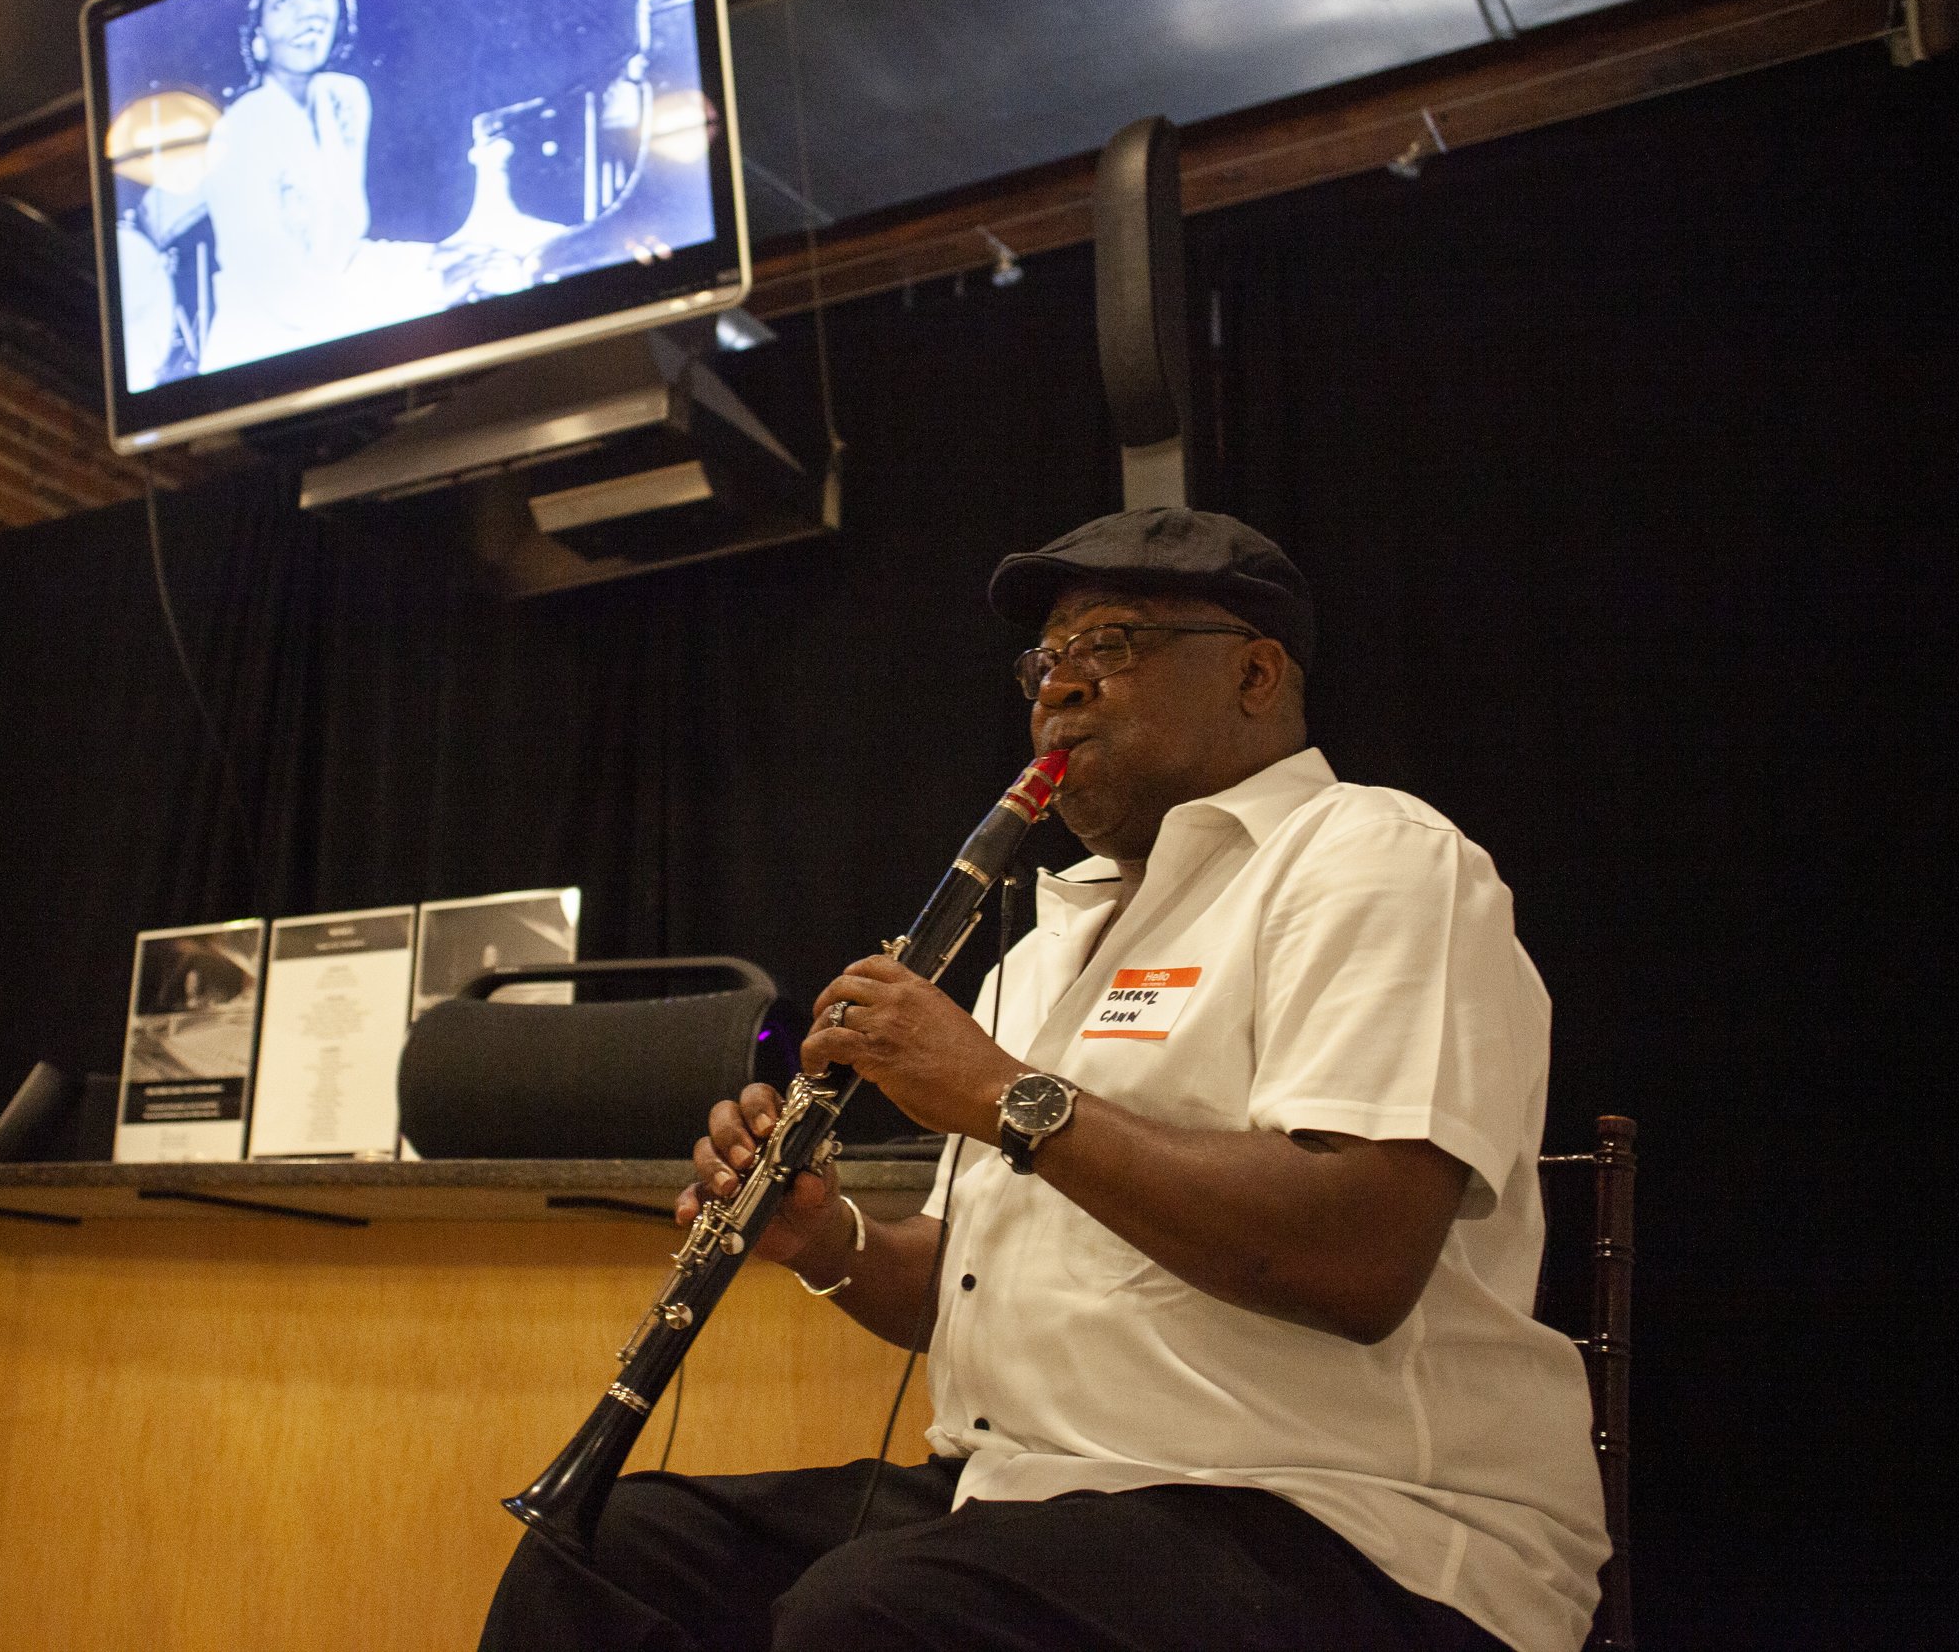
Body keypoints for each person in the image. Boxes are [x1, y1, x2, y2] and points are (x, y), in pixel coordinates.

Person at [480, 507, 1609, 1652]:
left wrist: (1005, 1097)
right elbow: (960, 1291)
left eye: (1110, 645)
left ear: (1256, 673)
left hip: (1354, 1525)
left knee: (876, 1616)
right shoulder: (1046, 947)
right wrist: (826, 1242)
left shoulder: (1372, 859)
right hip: (1026, 1496)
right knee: (608, 1552)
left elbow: (1356, 1257)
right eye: (1045, 661)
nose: (1057, 691)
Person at [196, 0, 444, 371]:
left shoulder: (345, 99)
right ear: (256, 30)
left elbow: (346, 251)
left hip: (337, 347)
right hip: (257, 367)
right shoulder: (238, 132)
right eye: (283, 3)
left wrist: (438, 259)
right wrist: (431, 287)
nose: (307, 14)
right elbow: (287, 295)